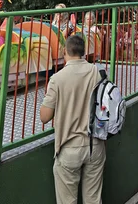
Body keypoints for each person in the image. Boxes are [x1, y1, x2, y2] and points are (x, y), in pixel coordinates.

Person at [40, 35, 106, 204]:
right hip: (95, 144)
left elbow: (44, 117)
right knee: (93, 200)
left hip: (68, 147)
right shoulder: (97, 73)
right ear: (84, 52)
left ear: (65, 51)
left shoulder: (57, 79)